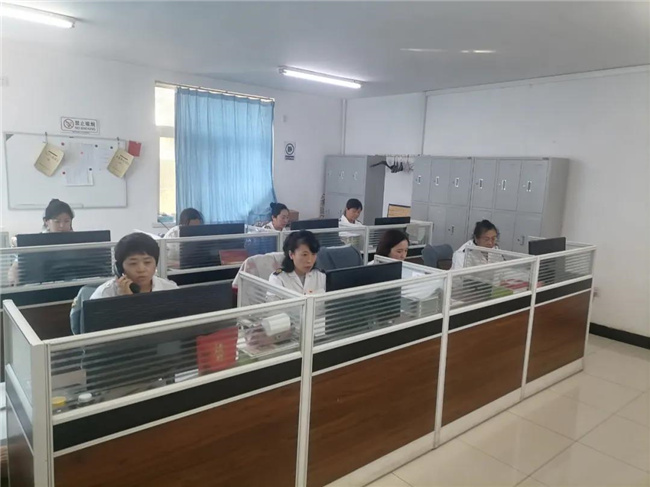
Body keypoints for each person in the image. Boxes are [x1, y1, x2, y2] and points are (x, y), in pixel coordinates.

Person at [90, 232, 177, 299]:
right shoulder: (104, 295)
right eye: (133, 263)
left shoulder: (170, 289)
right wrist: (125, 301)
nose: (141, 269)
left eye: (147, 262)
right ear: (120, 267)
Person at [268, 230, 325, 295]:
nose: (309, 260)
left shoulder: (320, 275)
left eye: (313, 254)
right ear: (291, 254)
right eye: (304, 255)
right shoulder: (278, 279)